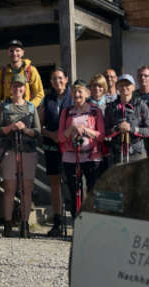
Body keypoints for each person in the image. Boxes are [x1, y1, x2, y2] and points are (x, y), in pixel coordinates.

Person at [0, 74, 40, 237]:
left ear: (25, 88)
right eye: (15, 86)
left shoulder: (30, 107)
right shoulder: (4, 106)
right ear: (10, 88)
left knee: (26, 189)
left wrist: (24, 129)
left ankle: (24, 223)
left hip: (27, 151)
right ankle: (7, 223)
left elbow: (37, 131)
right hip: (9, 150)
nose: (17, 89)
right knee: (9, 188)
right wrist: (11, 127)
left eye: (20, 86)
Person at [58, 79, 105, 218]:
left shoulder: (95, 111)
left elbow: (101, 136)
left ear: (86, 93)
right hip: (71, 157)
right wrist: (72, 128)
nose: (77, 94)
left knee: (92, 191)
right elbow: (60, 137)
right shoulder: (66, 112)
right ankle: (76, 222)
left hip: (92, 157)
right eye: (74, 92)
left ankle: (92, 223)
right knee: (74, 192)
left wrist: (85, 130)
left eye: (80, 91)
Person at [38, 67, 71, 237]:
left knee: (74, 184)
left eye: (60, 78)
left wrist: (65, 135)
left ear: (66, 79)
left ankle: (77, 220)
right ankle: (57, 222)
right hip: (52, 146)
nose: (57, 82)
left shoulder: (73, 97)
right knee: (55, 184)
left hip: (71, 147)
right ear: (50, 82)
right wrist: (52, 134)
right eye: (54, 79)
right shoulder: (47, 99)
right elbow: (40, 126)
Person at [103, 74, 149, 168]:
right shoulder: (110, 107)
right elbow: (106, 132)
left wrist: (132, 129)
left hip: (137, 154)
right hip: (116, 155)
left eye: (128, 84)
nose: (124, 87)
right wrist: (117, 129)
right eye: (121, 85)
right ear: (117, 87)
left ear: (133, 87)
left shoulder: (141, 105)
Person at [0, 39, 44, 110]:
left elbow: (39, 94)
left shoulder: (31, 70)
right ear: (8, 53)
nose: (14, 53)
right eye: (11, 51)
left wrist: (29, 108)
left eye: (17, 50)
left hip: (26, 114)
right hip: (8, 114)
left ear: (23, 53)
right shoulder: (2, 73)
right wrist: (2, 109)